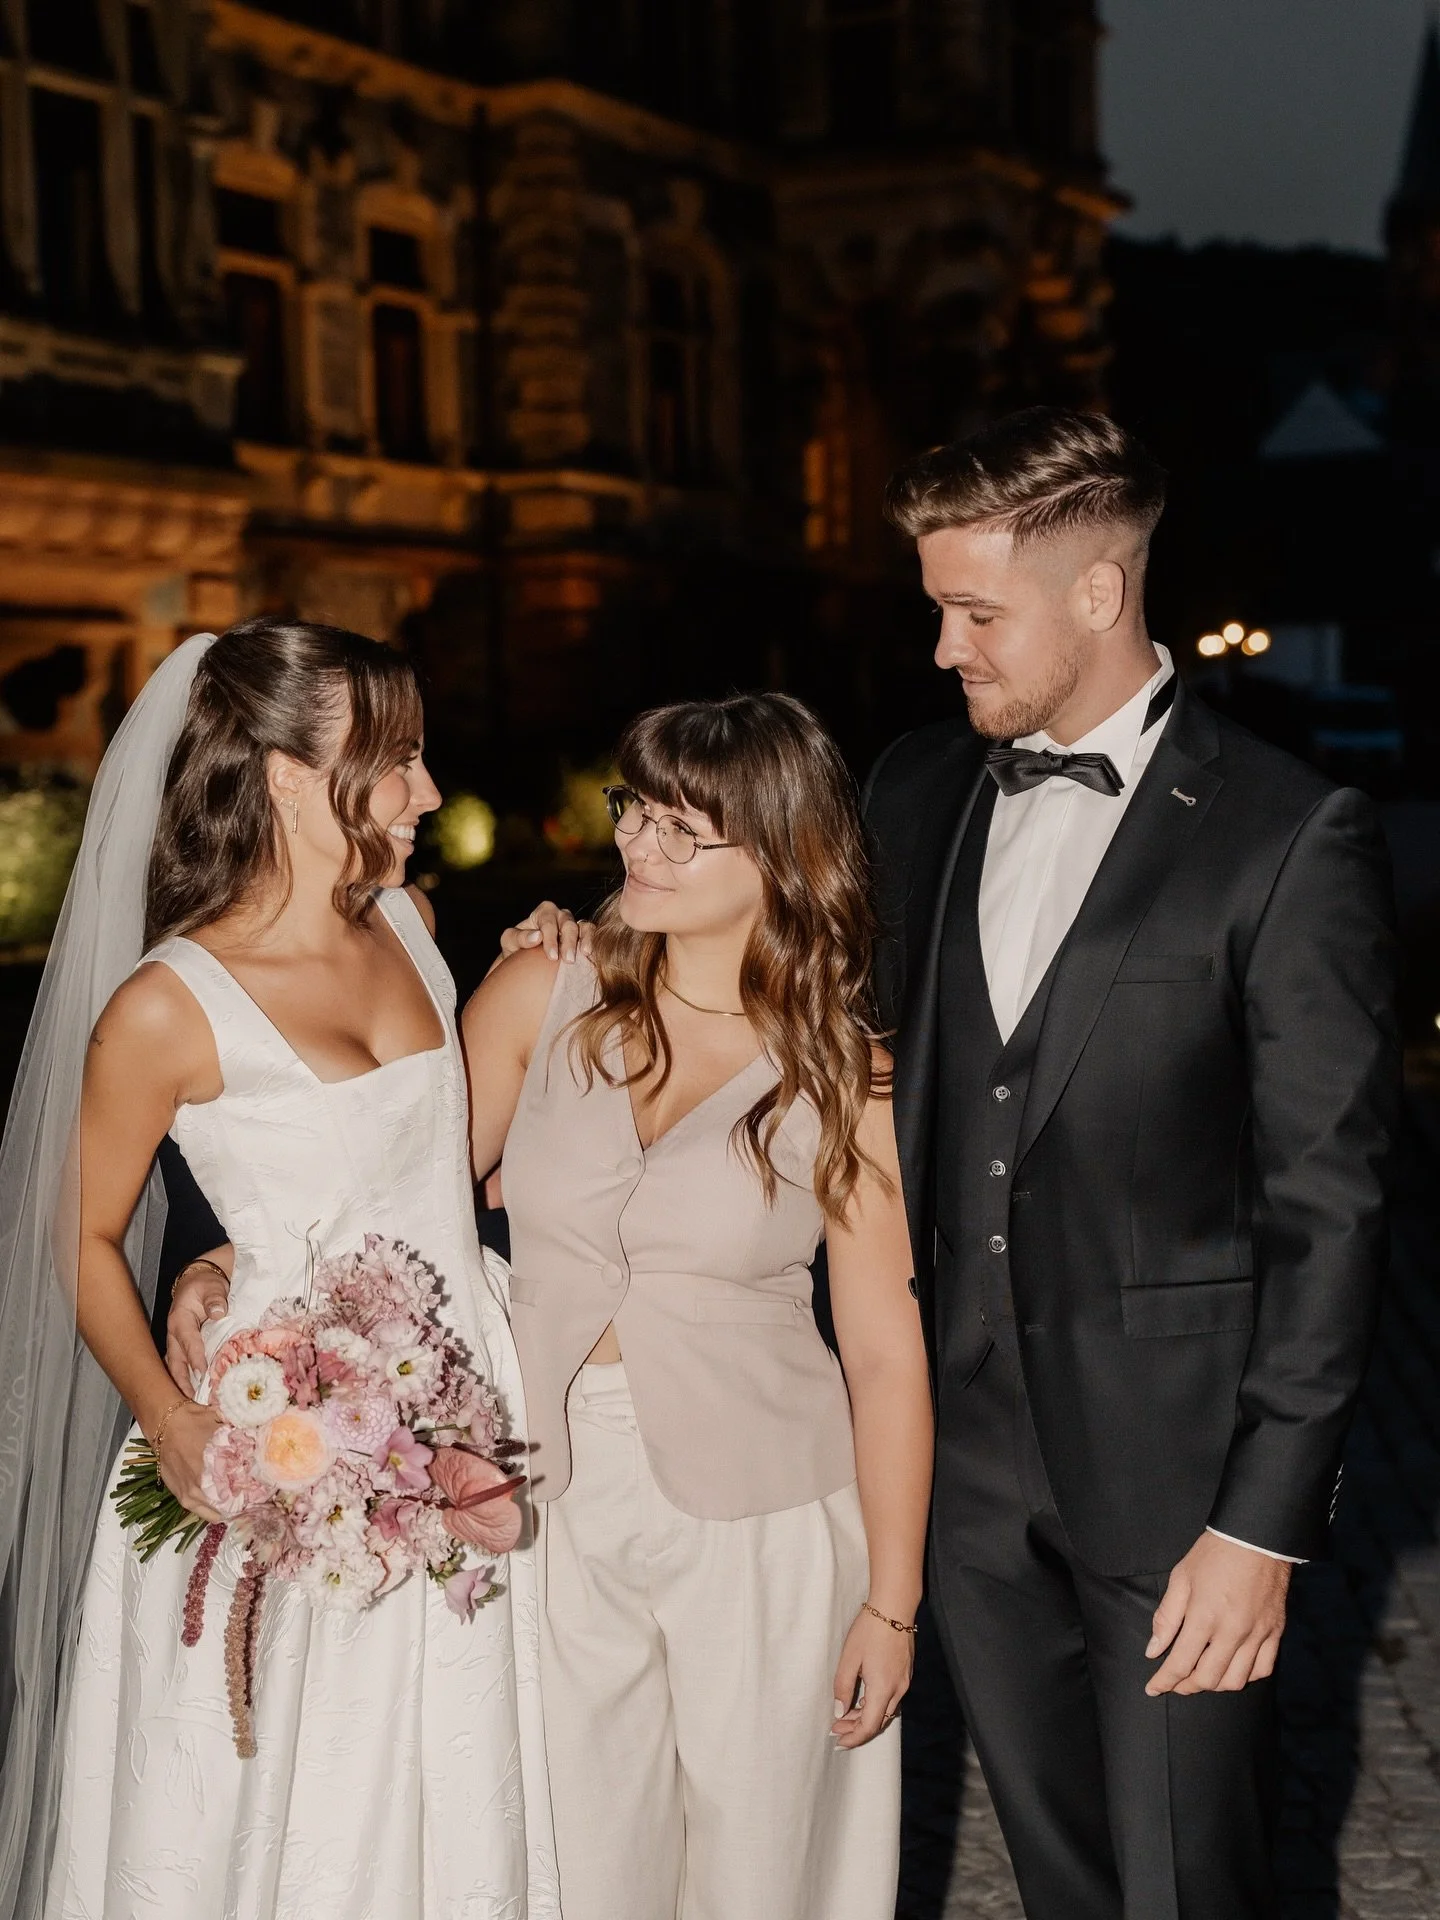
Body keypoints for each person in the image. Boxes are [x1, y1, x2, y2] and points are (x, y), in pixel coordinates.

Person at [510, 409, 1400, 1919]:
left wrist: (1261, 1525)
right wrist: (587, 941)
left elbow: (1334, 1206)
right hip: (956, 1472)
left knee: (1193, 1880)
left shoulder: (1285, 832)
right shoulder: (914, 791)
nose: (941, 647)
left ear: (1100, 597)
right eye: (935, 607)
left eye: (975, 613)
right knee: (1059, 1872)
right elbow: (766, 953)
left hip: (1177, 1482)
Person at [0, 620, 556, 1920]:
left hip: (464, 1408)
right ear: (291, 779)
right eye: (398, 760)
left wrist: (548, 962)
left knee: (452, 1776)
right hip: (272, 1437)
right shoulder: (166, 1004)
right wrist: (173, 1415)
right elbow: (73, 1238)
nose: (427, 792)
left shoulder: (415, 925)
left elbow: (434, 1158)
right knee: (271, 1808)